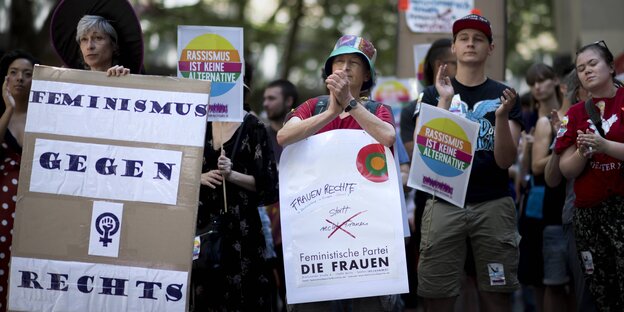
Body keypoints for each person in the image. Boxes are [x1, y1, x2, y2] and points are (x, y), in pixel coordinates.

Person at [277, 34, 396, 311]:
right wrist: (332, 111)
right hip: (315, 222)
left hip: (365, 226)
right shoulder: (311, 107)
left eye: (354, 63)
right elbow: (284, 136)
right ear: (329, 70)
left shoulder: (378, 110)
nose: (344, 68)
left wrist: (350, 104)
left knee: (368, 301)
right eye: (339, 62)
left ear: (366, 75)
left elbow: (387, 136)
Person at [414, 14, 522, 312]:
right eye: (464, 38)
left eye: (478, 38)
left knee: (496, 294)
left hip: (493, 203)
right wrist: (445, 103)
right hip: (443, 202)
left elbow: (505, 160)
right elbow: (424, 155)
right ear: (454, 46)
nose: (470, 43)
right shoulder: (433, 94)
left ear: (490, 47)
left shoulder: (506, 96)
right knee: (437, 295)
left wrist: (501, 117)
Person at [192, 63, 279, 311]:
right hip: (203, 228)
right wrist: (198, 177)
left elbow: (268, 186)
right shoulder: (197, 123)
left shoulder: (254, 126)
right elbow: (177, 171)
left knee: (243, 298)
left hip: (242, 232)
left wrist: (232, 175)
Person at [555, 40, 624, 311]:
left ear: (610, 66)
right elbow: (565, 169)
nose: (586, 71)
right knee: (599, 290)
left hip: (621, 208)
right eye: (581, 68)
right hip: (588, 215)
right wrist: (584, 152)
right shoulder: (574, 114)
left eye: (593, 64)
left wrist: (604, 146)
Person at [544, 69, 595, 312]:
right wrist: (560, 139)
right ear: (578, 94)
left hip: (615, 216)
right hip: (577, 217)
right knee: (585, 293)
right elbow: (552, 179)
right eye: (589, 85)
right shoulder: (572, 120)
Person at [0, 49, 38, 312]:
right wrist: (9, 109)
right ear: (5, 79)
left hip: (36, 202)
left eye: (27, 74)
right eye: (13, 73)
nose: (20, 79)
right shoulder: (2, 115)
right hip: (4, 201)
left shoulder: (46, 114)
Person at [50, 0, 143, 75]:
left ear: (114, 45)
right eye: (84, 39)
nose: (89, 46)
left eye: (98, 38)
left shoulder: (126, 79)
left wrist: (125, 83)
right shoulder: (70, 84)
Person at [263, 79, 299, 164]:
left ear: (288, 101)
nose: (265, 104)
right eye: (264, 99)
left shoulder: (305, 136)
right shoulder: (260, 135)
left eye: (271, 98)